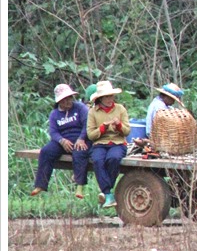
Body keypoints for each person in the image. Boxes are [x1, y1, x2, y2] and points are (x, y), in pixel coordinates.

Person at [31, 84, 92, 199]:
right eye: (65, 99)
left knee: (80, 152)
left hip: (80, 139)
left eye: (69, 98)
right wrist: (61, 140)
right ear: (59, 101)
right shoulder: (54, 114)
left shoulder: (80, 108)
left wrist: (81, 138)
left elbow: (87, 124)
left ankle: (79, 186)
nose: (68, 101)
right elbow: (53, 132)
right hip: (62, 140)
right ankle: (40, 184)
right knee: (46, 151)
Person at [86, 80, 130, 208]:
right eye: (107, 96)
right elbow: (91, 135)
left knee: (113, 158)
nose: (110, 99)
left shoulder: (120, 109)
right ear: (100, 98)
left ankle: (106, 193)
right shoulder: (93, 112)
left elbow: (127, 131)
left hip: (117, 142)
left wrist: (119, 125)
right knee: (98, 160)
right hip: (99, 143)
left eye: (111, 96)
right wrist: (102, 128)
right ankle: (108, 194)